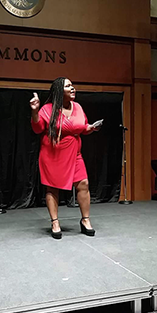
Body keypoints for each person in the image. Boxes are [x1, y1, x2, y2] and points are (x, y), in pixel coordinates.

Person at [30, 77, 101, 239]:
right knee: (52, 188)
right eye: (68, 86)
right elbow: (37, 128)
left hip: (74, 153)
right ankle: (55, 222)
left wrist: (91, 128)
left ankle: (85, 220)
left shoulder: (78, 107)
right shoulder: (48, 109)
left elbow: (82, 127)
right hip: (52, 154)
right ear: (58, 91)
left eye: (72, 85)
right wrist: (35, 111)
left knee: (83, 183)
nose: (73, 88)